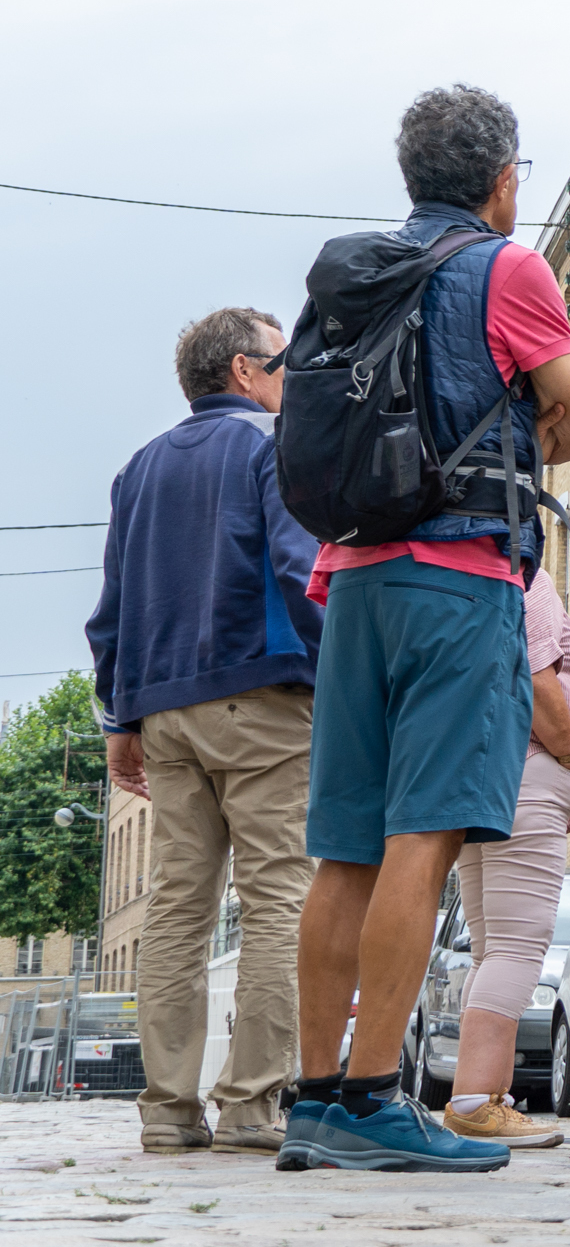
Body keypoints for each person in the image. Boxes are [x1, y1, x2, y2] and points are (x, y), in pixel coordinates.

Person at [286, 87, 570, 1174]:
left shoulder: (356, 273)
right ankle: (376, 1096)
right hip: (460, 577)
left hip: (353, 576)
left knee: (344, 848)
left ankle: (315, 1095)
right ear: (503, 177)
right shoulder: (507, 267)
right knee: (424, 835)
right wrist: (519, 434)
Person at [88, 307, 321, 1156]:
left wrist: (122, 719)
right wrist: (343, 675)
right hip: (260, 697)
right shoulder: (271, 446)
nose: (295, 377)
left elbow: (110, 614)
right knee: (277, 898)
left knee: (178, 910)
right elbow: (302, 572)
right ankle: (253, 1107)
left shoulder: (137, 470)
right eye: (284, 362)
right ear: (244, 372)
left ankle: (167, 1111)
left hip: (163, 713)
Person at [442, 566, 570, 1147]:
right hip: (529, 773)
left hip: (489, 775)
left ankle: (485, 1098)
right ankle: (476, 1101)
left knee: (491, 949)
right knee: (516, 948)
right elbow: (533, 673)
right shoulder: (525, 573)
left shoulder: (473, 572)